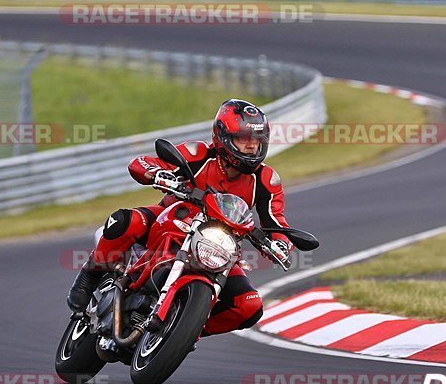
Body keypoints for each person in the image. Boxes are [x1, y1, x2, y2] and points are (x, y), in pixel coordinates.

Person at [66, 99, 293, 336]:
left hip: (220, 247)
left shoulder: (267, 180)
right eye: (243, 139)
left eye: (256, 141)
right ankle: (88, 277)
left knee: (249, 305)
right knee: (125, 221)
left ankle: (181, 330)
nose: (251, 147)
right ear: (223, 137)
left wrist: (280, 244)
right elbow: (141, 163)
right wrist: (157, 173)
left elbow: (276, 222)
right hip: (171, 220)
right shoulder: (199, 154)